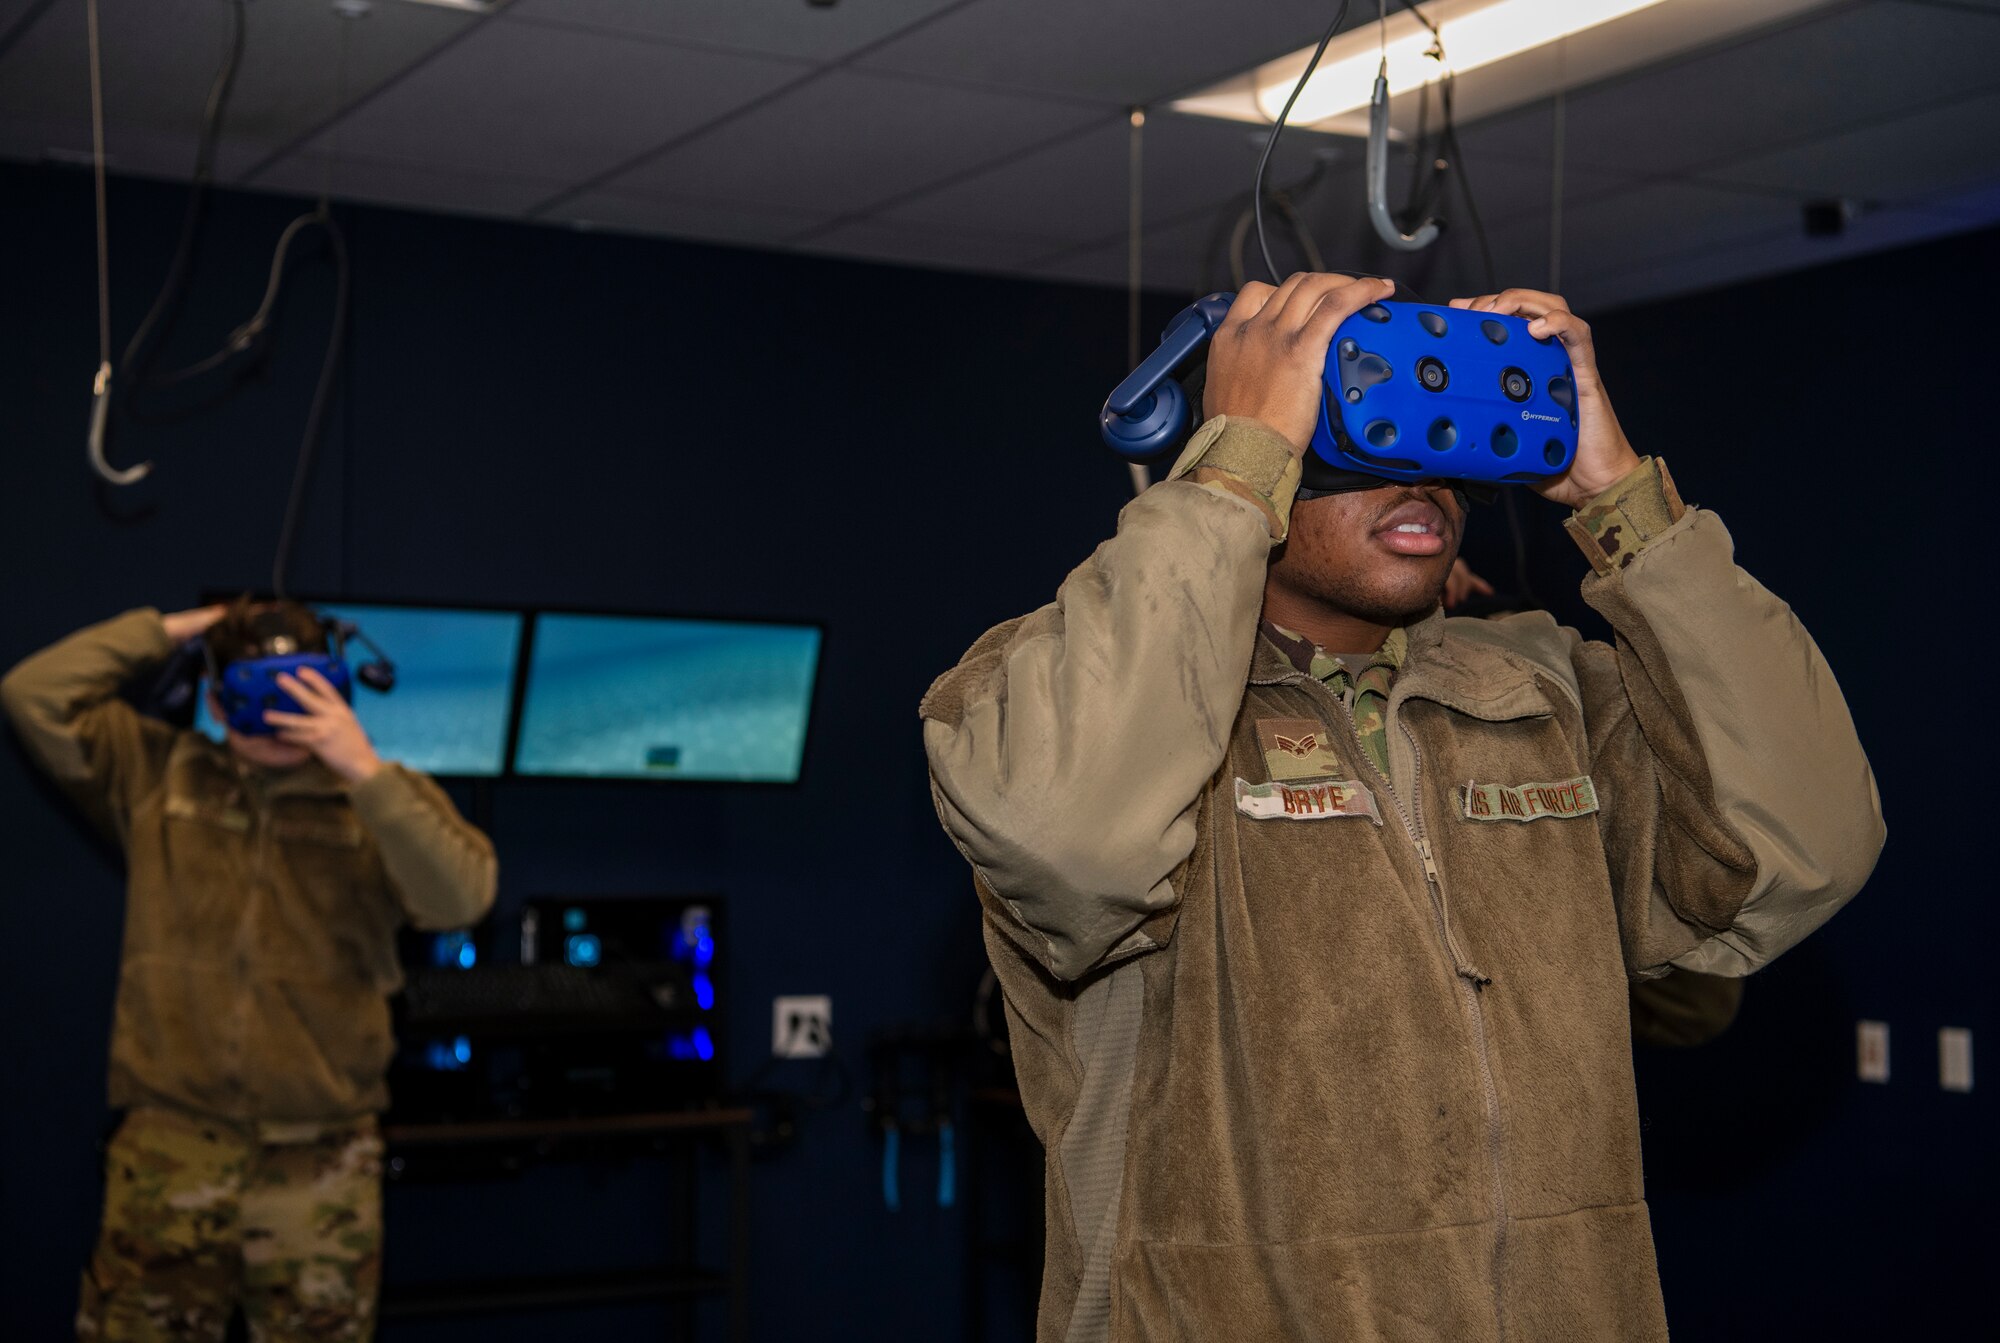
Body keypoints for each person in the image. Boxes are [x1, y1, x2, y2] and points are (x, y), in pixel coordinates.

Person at [920, 274, 1882, 1341]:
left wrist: (1623, 504)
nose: (1419, 479)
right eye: (1361, 426)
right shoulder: (1066, 697)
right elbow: (1066, 836)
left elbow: (1805, 849)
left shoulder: (1541, 691)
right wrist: (1233, 470)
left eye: (1443, 441)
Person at [2, 598, 499, 1342]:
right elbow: (32, 695)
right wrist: (181, 629)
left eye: (299, 688)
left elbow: (464, 896)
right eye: (254, 690)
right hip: (167, 1150)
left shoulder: (380, 802)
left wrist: (361, 765)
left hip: (320, 1162)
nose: (275, 712)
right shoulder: (154, 775)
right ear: (214, 697)